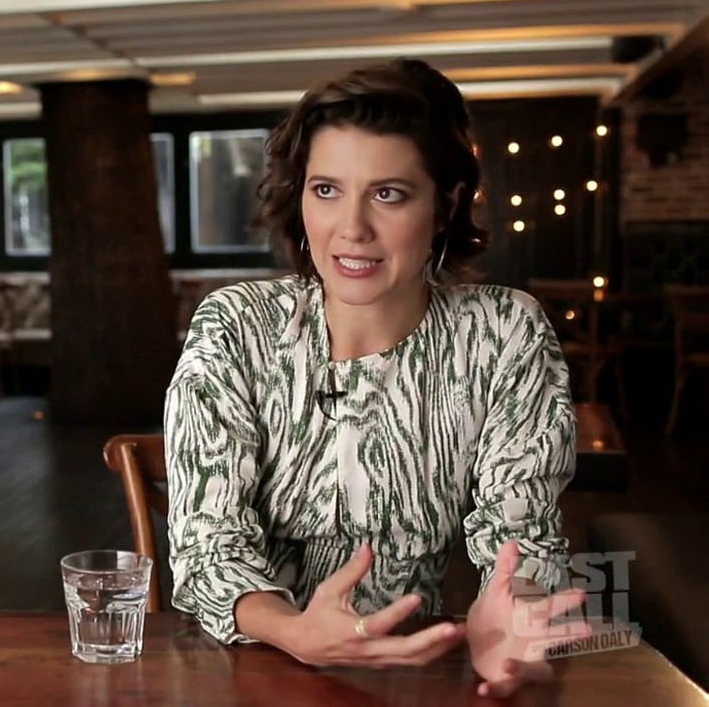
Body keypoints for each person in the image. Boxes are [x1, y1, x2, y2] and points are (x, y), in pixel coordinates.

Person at [163, 58, 590, 698]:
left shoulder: (504, 332)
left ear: (445, 206)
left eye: (388, 194)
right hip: (242, 669)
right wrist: (293, 628)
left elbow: (521, 533)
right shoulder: (236, 327)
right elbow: (206, 546)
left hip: (410, 677)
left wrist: (512, 615)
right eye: (326, 190)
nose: (352, 228)